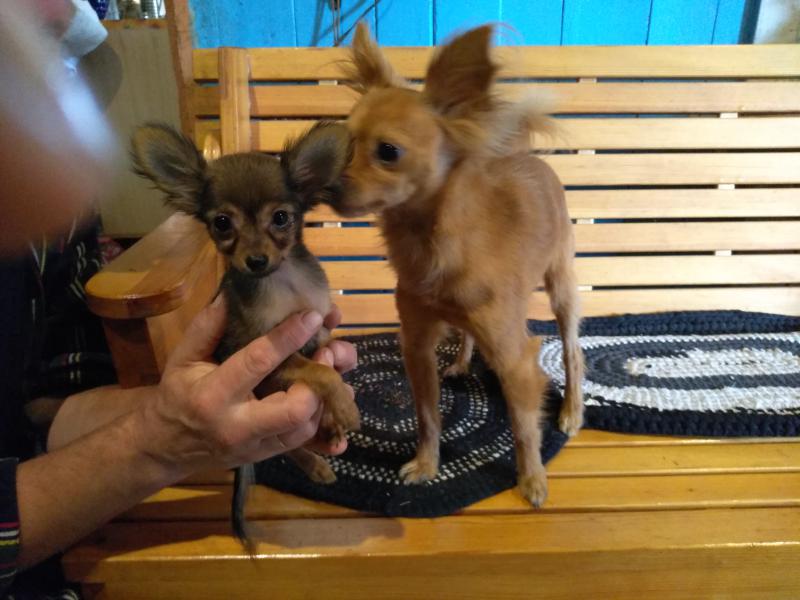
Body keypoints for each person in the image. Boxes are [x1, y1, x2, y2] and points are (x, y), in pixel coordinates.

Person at [0, 1, 358, 596]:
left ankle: (294, 447)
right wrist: (161, 441)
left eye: (278, 219)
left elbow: (55, 375)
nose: (255, 249)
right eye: (225, 225)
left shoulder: (54, 212)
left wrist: (165, 418)